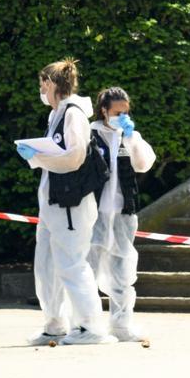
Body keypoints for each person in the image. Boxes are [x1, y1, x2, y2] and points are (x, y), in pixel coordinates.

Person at [17, 59, 115, 345]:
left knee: (72, 263)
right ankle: (54, 324)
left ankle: (90, 328)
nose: (40, 90)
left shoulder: (73, 114)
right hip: (53, 203)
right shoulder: (56, 115)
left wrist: (36, 156)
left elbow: (74, 158)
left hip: (71, 203)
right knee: (46, 265)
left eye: (41, 85)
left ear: (50, 83)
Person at [87, 87, 156, 342]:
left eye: (126, 112)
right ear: (104, 110)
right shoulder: (90, 134)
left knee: (122, 271)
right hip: (93, 213)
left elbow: (143, 164)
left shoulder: (129, 136)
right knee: (87, 270)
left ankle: (121, 326)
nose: (122, 116)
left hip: (123, 211)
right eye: (117, 112)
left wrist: (131, 138)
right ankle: (85, 325)